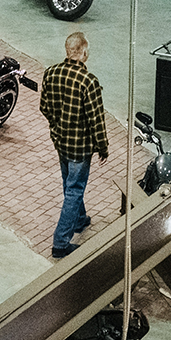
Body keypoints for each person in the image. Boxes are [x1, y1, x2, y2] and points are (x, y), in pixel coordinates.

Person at [40, 32, 108, 259]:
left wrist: (57, 127)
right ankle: (61, 242)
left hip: (60, 142)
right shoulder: (88, 82)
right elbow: (96, 119)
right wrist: (102, 146)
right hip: (80, 147)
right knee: (74, 190)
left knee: (69, 183)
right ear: (84, 53)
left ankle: (79, 220)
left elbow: (44, 107)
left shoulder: (50, 73)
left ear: (68, 50)